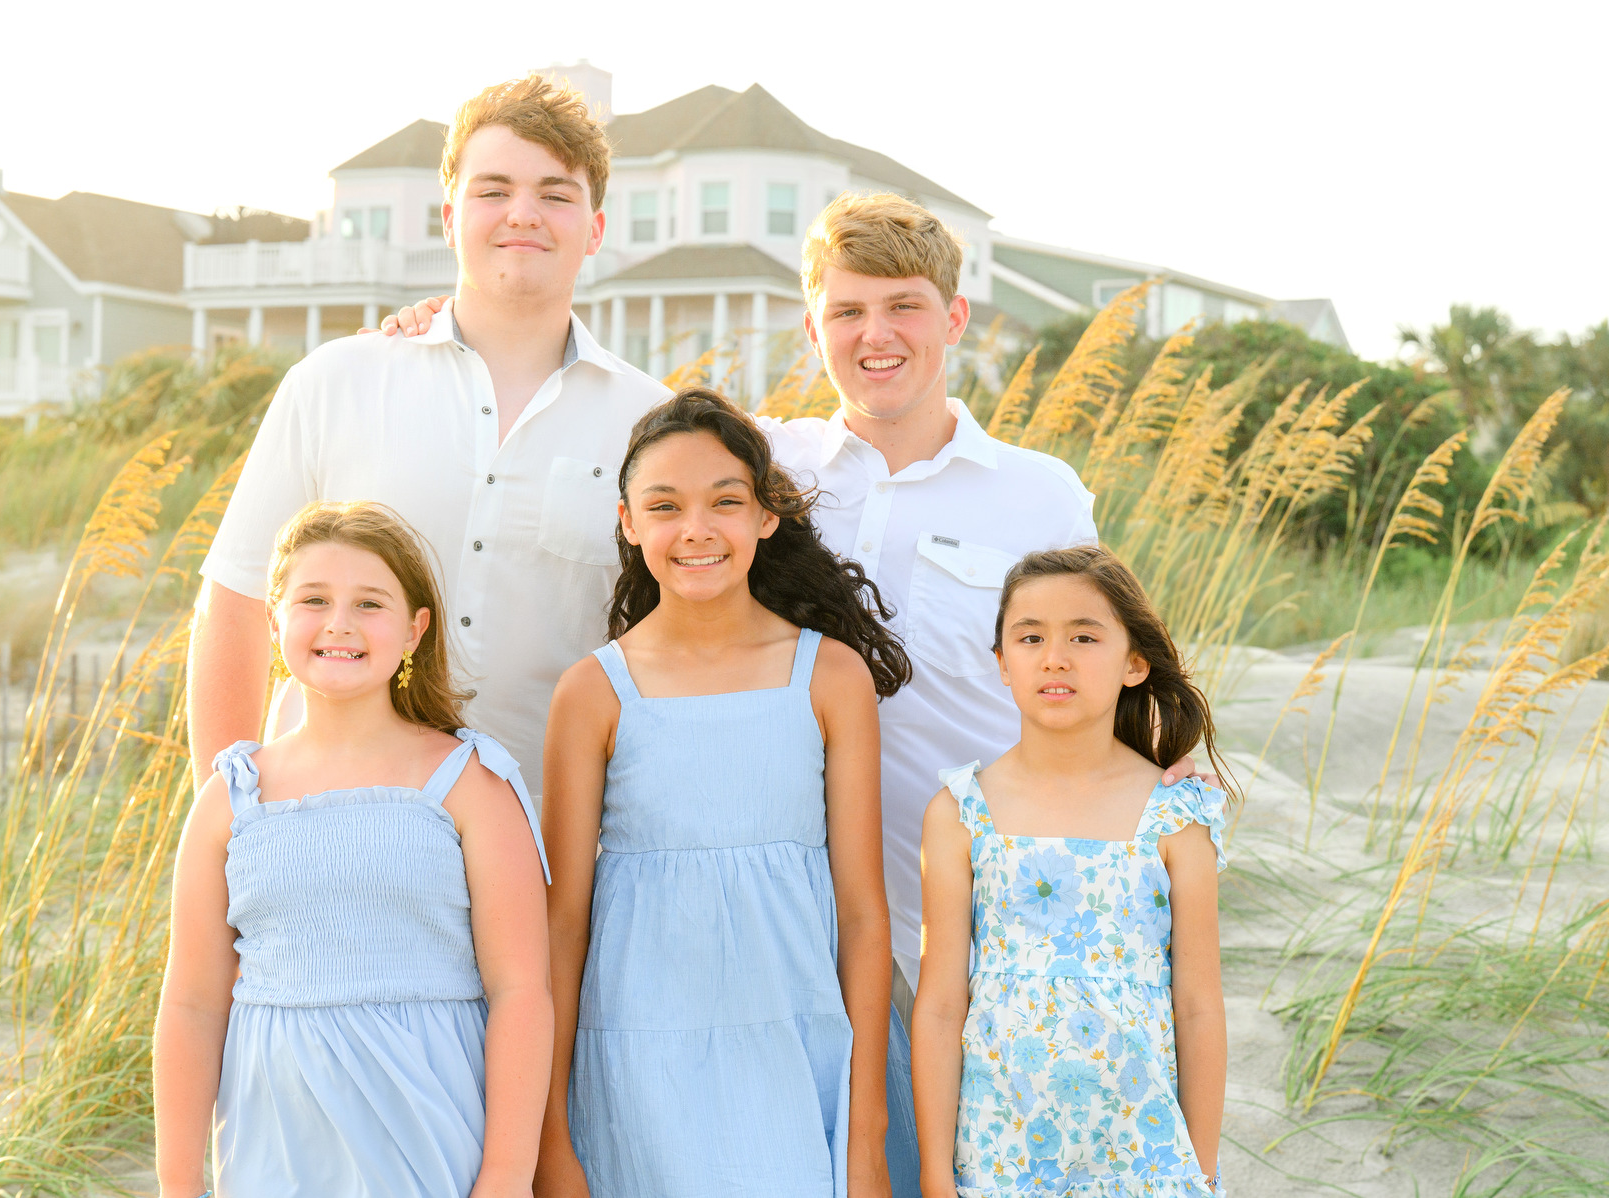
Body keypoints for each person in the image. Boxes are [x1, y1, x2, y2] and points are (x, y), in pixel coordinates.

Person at [377, 191, 1208, 1196]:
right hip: (797, 930)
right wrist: (459, 324)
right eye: (848, 312)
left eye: (904, 306)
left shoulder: (1039, 493)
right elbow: (645, 444)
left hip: (976, 922)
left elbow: (1092, 646)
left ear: (954, 319)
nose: (876, 335)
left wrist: (1163, 752)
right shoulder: (776, 462)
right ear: (814, 327)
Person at [189, 74, 669, 792]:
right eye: (494, 190)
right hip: (326, 826)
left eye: (556, 194)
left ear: (594, 228)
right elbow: (235, 603)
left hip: (548, 847)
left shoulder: (652, 426)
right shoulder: (336, 380)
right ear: (449, 218)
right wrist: (224, 820)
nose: (523, 214)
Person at [539, 390, 908, 1197]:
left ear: (766, 516)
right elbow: (561, 928)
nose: (696, 529)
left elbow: (863, 911)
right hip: (636, 1060)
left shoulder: (828, 675)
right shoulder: (594, 693)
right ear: (628, 522)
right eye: (664, 506)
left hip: (797, 1044)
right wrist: (549, 1131)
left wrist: (868, 1128)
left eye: (725, 502)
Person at [154, 501, 553, 1198]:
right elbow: (191, 1004)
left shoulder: (469, 784)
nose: (339, 622)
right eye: (314, 599)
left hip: (429, 1134)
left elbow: (521, 992)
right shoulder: (231, 797)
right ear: (275, 619)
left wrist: (507, 1175)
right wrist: (180, 1183)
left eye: (370, 603)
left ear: (414, 629)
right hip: (275, 1139)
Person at [909, 546, 1229, 1197]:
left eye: (1084, 636)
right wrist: (938, 1176)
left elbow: (1198, 1006)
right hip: (999, 1154)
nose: (1055, 657)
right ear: (1002, 663)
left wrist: (1197, 1169)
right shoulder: (961, 812)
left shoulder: (1175, 814)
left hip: (1143, 1158)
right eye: (1030, 638)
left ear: (1134, 662)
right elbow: (941, 1006)